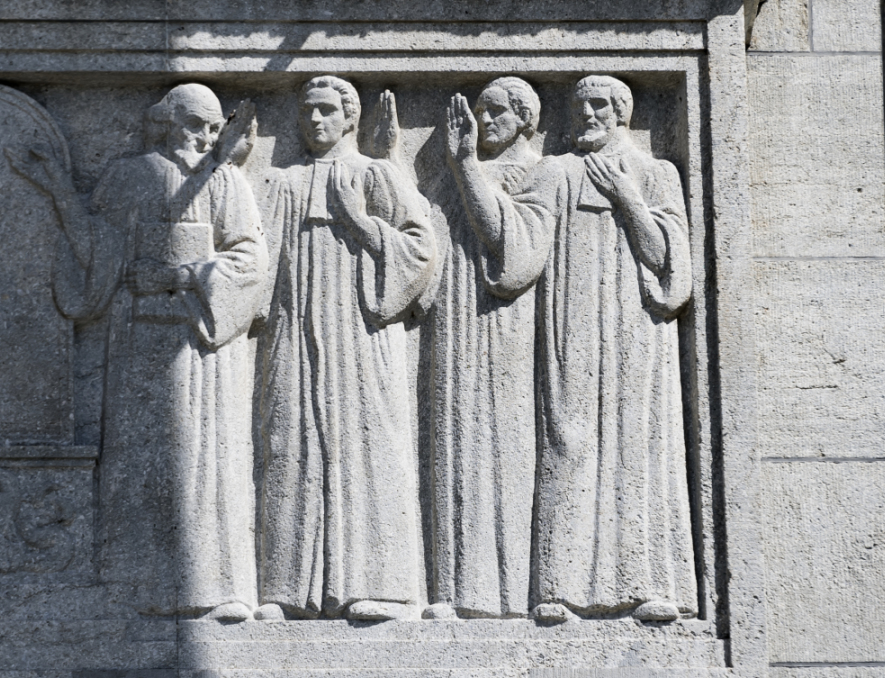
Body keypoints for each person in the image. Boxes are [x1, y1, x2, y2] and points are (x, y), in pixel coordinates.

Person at [8, 84, 268, 621]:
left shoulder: (226, 181)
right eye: (194, 123)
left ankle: (217, 588)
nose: (204, 137)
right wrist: (58, 188)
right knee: (136, 456)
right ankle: (132, 588)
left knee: (208, 457)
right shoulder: (128, 175)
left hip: (202, 346)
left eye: (213, 128)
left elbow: (250, 261)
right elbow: (96, 248)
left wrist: (183, 275)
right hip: (136, 342)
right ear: (165, 121)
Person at [447, 75, 697, 622]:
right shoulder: (556, 171)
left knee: (640, 445)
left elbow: (668, 262)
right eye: (579, 105)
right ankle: (558, 588)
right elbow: (515, 244)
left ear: (623, 112)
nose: (587, 113)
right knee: (568, 441)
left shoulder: (657, 173)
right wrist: (466, 165)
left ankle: (648, 585)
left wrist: (628, 199)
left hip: (638, 332)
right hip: (571, 330)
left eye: (599, 104)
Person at [257, 77, 437, 622]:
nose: (315, 120)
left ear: (351, 117)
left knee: (369, 442)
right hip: (293, 330)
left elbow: (421, 251)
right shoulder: (282, 181)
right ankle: (287, 588)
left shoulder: (375, 174)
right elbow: (255, 256)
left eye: (327, 110)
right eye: (307, 111)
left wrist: (360, 224)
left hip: (361, 331)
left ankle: (380, 585)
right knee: (289, 440)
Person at [427, 78, 543, 619]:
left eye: (496, 111)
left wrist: (466, 165)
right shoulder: (459, 170)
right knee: (451, 443)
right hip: (452, 323)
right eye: (479, 110)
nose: (483, 120)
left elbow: (508, 244)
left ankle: (506, 595)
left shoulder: (536, 173)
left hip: (500, 327)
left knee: (499, 446)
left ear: (524, 119)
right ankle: (453, 591)